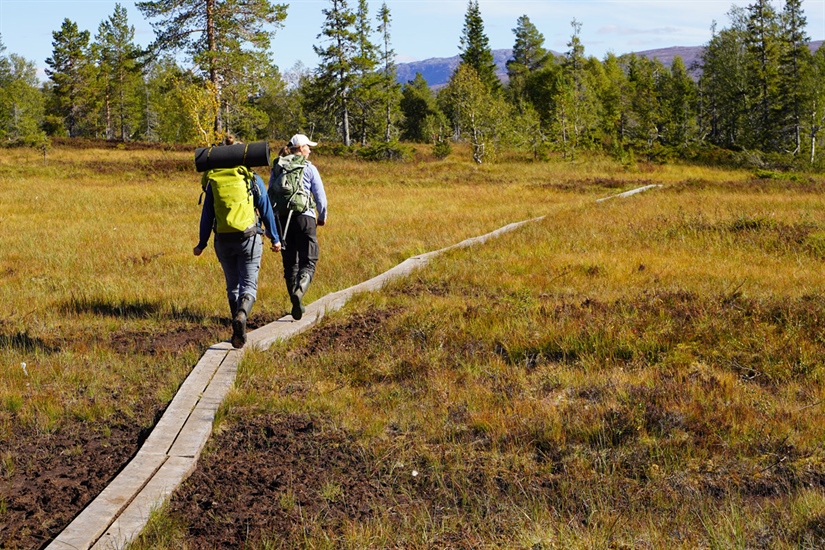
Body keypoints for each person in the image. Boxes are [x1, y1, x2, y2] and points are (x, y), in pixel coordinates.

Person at [194, 162, 282, 348]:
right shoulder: (251, 179)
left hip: (223, 241)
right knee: (248, 283)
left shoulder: (214, 181)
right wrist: (275, 238)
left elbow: (207, 216)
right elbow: (265, 209)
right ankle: (242, 315)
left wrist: (201, 244)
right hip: (249, 239)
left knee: (232, 284)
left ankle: (237, 329)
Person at [269, 133, 327, 320]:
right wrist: (322, 217)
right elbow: (320, 197)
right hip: (305, 218)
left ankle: (296, 302)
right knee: (308, 261)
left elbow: (270, 194)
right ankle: (300, 292)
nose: (310, 150)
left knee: (289, 264)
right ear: (301, 148)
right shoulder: (309, 168)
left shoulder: (278, 166)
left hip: (282, 220)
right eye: (308, 147)